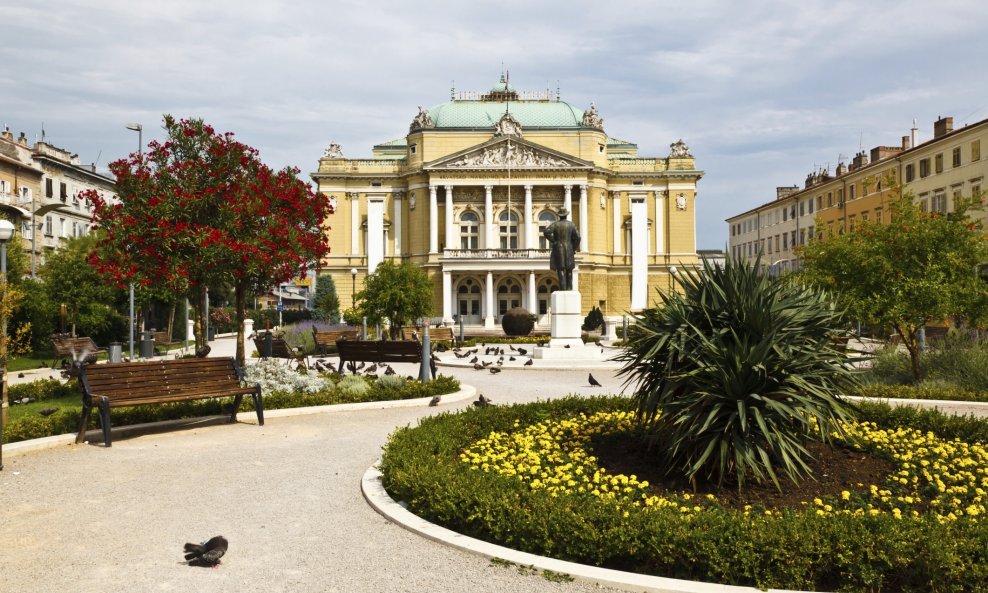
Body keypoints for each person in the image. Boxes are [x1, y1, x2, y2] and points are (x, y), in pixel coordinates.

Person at [543, 207, 580, 291]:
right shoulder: (572, 225)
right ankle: (569, 289)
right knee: (569, 270)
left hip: (558, 248)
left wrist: (554, 241)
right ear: (566, 215)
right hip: (569, 248)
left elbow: (546, 232)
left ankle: (563, 289)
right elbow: (578, 237)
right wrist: (573, 248)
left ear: (559, 216)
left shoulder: (555, 224)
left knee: (561, 270)